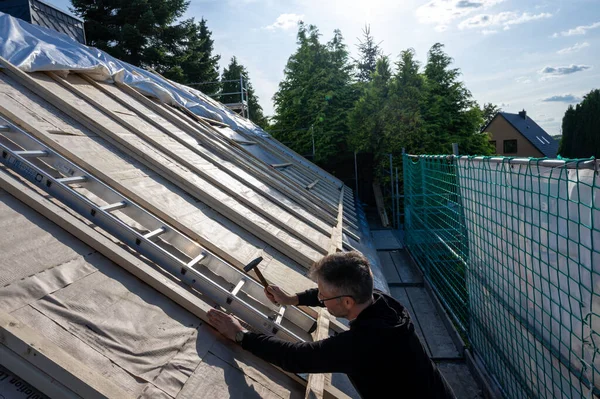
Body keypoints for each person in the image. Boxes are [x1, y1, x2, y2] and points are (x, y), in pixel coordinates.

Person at [207, 251, 455, 398]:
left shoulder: (362, 345)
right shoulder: (381, 302)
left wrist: (240, 335)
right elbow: (329, 294)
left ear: (347, 301)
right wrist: (292, 299)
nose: (320, 297)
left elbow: (294, 357)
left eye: (324, 295)